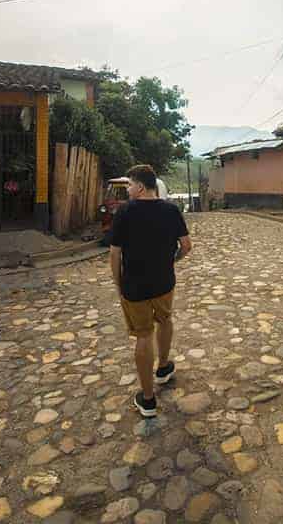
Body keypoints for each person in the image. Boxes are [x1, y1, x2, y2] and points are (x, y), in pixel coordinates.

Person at [102, 163, 192, 417]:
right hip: (165, 282)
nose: (128, 189)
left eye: (129, 184)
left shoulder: (125, 212)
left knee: (143, 335)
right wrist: (171, 261)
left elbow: (115, 253)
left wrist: (118, 283)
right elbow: (186, 246)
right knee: (165, 320)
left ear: (140, 186)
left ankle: (149, 399)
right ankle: (163, 367)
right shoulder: (171, 210)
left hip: (135, 286)